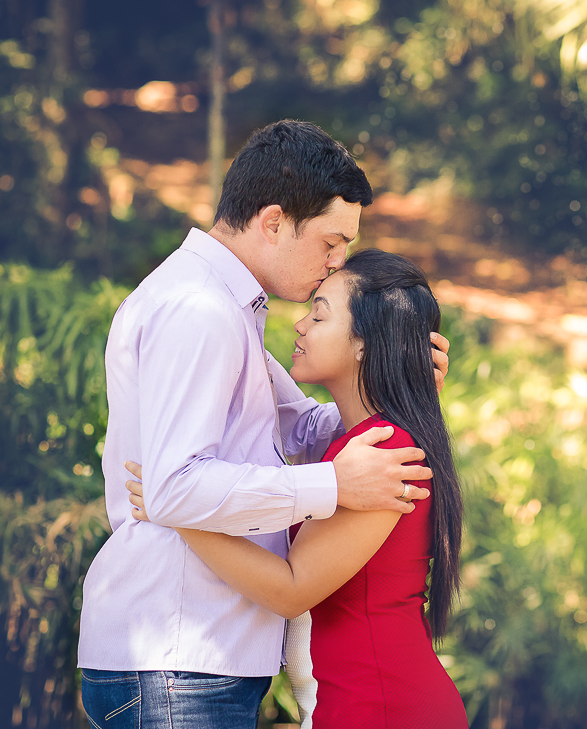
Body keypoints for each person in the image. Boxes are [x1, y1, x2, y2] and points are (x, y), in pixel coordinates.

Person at [78, 120, 449, 729]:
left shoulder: (223, 306)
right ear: (274, 222)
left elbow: (303, 430)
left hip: (196, 656)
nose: (336, 262)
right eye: (331, 242)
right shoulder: (199, 310)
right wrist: (334, 485)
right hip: (178, 655)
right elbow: (174, 487)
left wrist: (399, 382)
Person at [125, 249, 467, 728]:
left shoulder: (384, 452)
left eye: (319, 315)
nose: (301, 325)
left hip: (385, 705)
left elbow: (291, 589)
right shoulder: (357, 447)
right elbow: (299, 424)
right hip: (363, 700)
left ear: (365, 344)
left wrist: (176, 508)